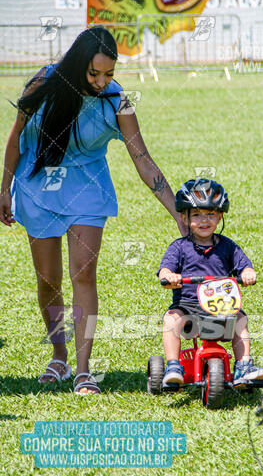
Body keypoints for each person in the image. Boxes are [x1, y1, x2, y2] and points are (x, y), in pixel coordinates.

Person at [0, 26, 185, 394]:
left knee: (83, 276)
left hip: (87, 191)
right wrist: (4, 188)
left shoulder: (118, 100)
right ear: (77, 64)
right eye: (94, 73)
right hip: (39, 188)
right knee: (48, 280)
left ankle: (83, 370)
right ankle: (59, 357)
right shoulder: (44, 83)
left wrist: (179, 215)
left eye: (109, 74)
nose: (102, 82)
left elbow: (143, 160)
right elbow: (17, 136)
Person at [157, 178, 263, 388]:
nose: (204, 220)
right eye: (197, 215)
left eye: (210, 214)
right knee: (171, 319)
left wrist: (247, 273)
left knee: (240, 320)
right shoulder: (179, 247)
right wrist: (169, 276)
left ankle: (244, 366)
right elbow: (165, 269)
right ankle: (173, 366)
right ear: (184, 217)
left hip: (222, 306)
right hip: (188, 307)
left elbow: (244, 265)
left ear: (219, 217)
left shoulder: (228, 247)